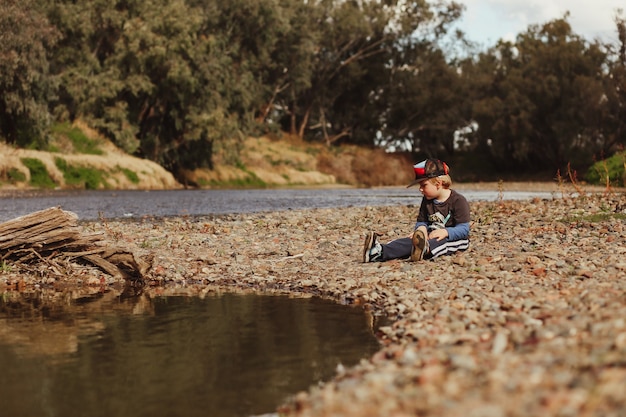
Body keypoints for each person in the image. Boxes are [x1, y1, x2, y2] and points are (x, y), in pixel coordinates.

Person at [363, 158, 470, 262]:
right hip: (429, 235)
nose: (420, 189)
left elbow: (464, 229)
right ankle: (379, 252)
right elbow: (422, 221)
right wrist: (421, 229)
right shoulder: (427, 200)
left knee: (439, 242)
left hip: (453, 238)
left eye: (424, 185)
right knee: (409, 241)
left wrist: (446, 232)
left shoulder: (458, 201)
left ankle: (424, 249)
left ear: (438, 184)